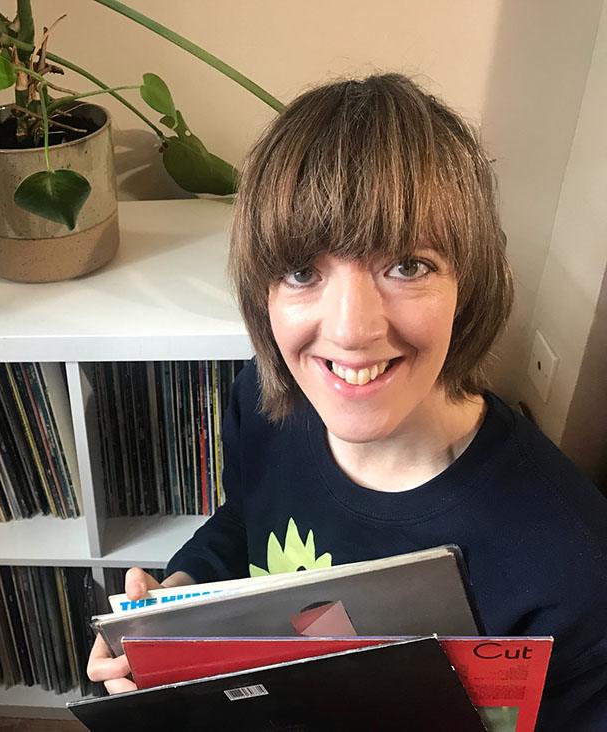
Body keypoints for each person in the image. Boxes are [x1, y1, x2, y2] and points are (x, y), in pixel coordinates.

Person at [86, 73, 607, 729]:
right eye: (303, 271)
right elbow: (245, 521)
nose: (352, 330)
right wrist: (177, 603)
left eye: (407, 266)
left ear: (468, 284)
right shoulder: (264, 402)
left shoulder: (571, 563)